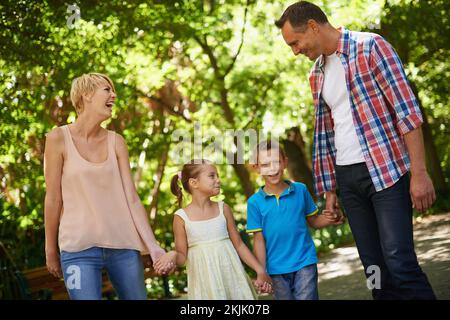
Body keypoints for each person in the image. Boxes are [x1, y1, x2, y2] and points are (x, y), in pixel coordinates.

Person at [275, 1, 436, 299]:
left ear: (312, 25)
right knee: (373, 270)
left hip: (385, 171)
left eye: (295, 43)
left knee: (399, 262)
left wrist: (420, 173)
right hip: (348, 180)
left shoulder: (371, 47)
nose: (295, 51)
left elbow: (408, 113)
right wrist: (331, 192)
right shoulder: (316, 74)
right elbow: (325, 135)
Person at [44, 73, 167, 300]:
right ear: (87, 95)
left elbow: (132, 198)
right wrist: (50, 249)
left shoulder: (116, 141)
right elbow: (53, 198)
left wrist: (153, 246)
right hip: (77, 250)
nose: (114, 95)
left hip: (124, 246)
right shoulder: (57, 138)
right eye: (107, 90)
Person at [154, 159, 272, 299]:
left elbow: (239, 245)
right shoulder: (181, 217)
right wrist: (172, 254)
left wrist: (259, 270)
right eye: (212, 176)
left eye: (218, 175)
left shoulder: (224, 209)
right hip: (205, 287)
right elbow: (182, 258)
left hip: (233, 279)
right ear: (194, 183)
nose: (218, 180)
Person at [246, 140, 343, 300]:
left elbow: (314, 221)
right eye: (265, 164)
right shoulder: (254, 203)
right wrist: (261, 271)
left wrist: (332, 218)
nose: (272, 168)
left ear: (285, 162)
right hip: (276, 269)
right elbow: (258, 241)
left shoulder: (300, 190)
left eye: (276, 162)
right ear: (256, 168)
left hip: (304, 260)